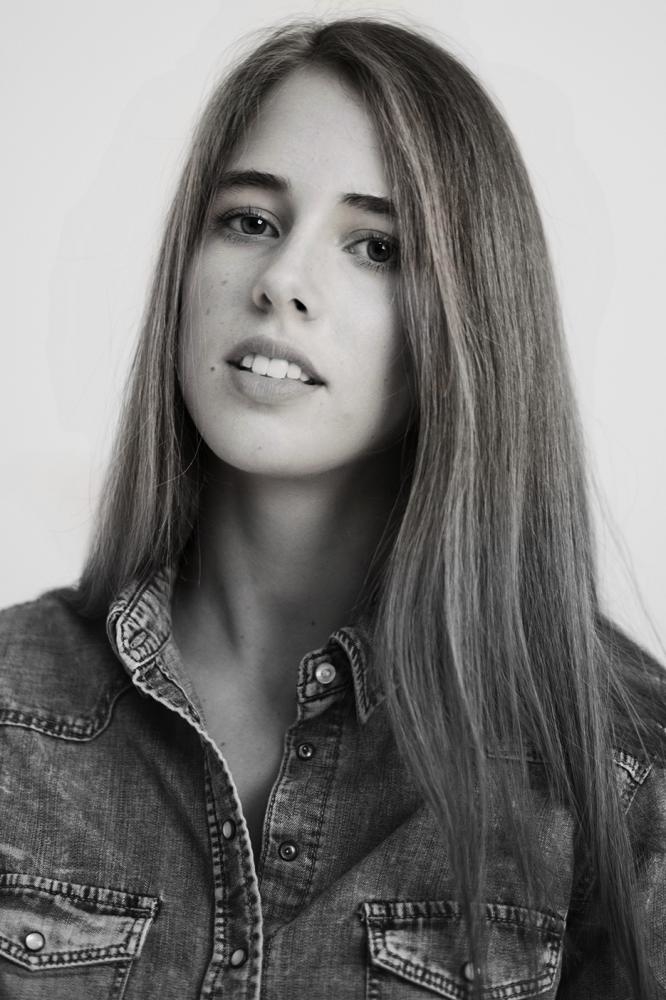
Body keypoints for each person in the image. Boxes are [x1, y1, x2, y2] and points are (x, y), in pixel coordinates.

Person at [0, 15, 664, 1000]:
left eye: (376, 246)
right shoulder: (12, 706)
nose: (281, 281)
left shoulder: (616, 767)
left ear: (471, 317)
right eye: (250, 221)